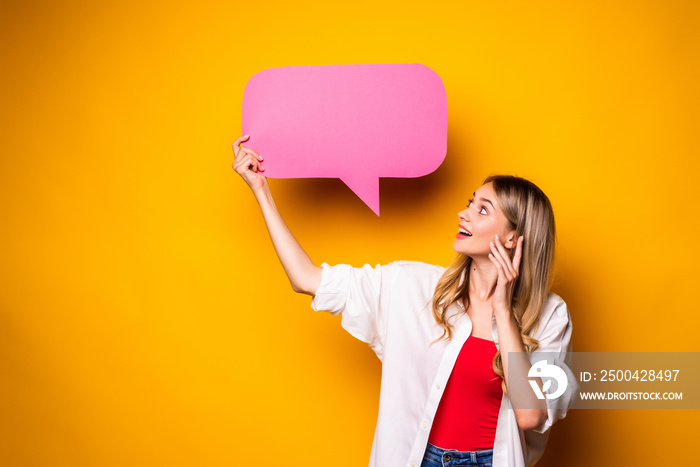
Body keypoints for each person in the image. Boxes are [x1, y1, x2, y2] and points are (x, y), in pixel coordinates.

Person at [232, 135, 578, 467]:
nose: (464, 213)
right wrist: (261, 191)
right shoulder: (410, 285)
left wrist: (503, 311)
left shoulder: (550, 316)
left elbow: (531, 415)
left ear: (514, 237)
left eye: (483, 210)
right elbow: (306, 278)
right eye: (470, 202)